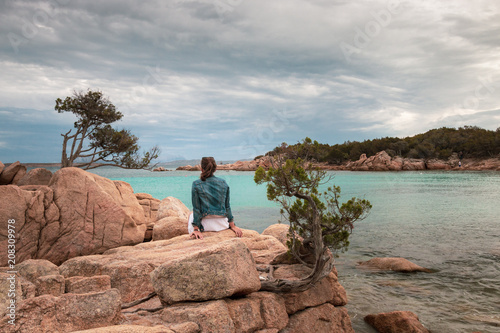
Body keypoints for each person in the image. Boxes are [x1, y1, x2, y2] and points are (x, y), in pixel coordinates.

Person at [188, 156, 243, 240]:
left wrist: (196, 229)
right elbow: (227, 206)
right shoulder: (223, 183)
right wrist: (233, 226)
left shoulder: (196, 184)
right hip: (222, 224)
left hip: (205, 226)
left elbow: (197, 209)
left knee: (190, 214)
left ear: (201, 169)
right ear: (215, 169)